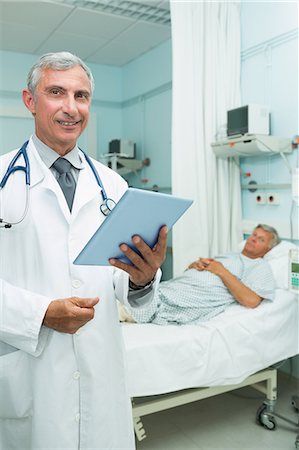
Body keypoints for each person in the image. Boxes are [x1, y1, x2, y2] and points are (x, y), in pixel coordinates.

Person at [0, 52, 168, 450]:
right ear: (30, 100)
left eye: (82, 95)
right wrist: (41, 314)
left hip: (100, 367)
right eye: (56, 92)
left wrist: (142, 280)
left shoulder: (114, 186)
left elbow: (121, 280)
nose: (71, 108)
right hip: (29, 371)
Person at [123, 224, 279, 325]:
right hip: (172, 288)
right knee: (133, 295)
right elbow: (197, 273)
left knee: (128, 305)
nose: (253, 239)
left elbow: (251, 300)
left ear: (269, 249)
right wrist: (194, 266)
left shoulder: (260, 266)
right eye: (254, 235)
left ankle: (126, 310)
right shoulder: (230, 255)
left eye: (261, 239)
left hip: (183, 299)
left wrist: (220, 270)